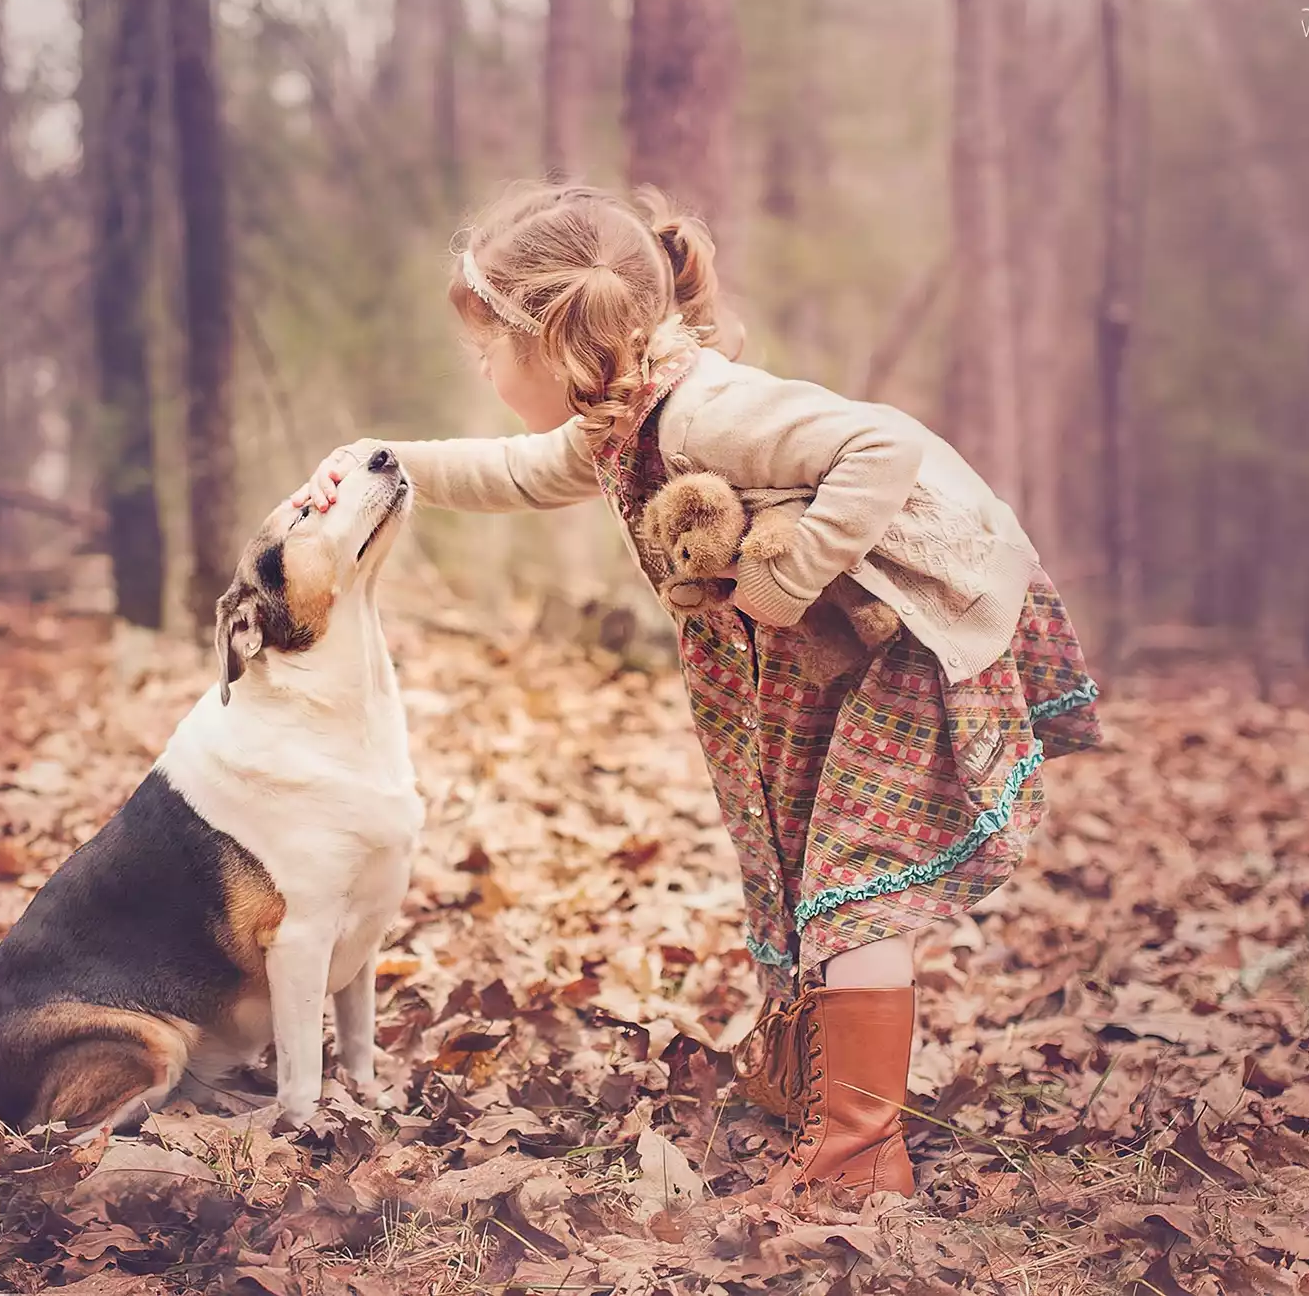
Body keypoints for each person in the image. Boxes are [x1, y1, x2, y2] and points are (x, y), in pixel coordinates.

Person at [290, 182, 1102, 1205]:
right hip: (842, 652)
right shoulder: (623, 416)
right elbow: (516, 471)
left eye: (487, 348)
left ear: (553, 339)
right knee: (806, 860)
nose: (482, 370)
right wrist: (376, 464)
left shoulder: (709, 407)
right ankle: (819, 1088)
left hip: (916, 632)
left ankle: (860, 1159)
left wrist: (787, 574)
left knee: (855, 888)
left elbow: (882, 444)